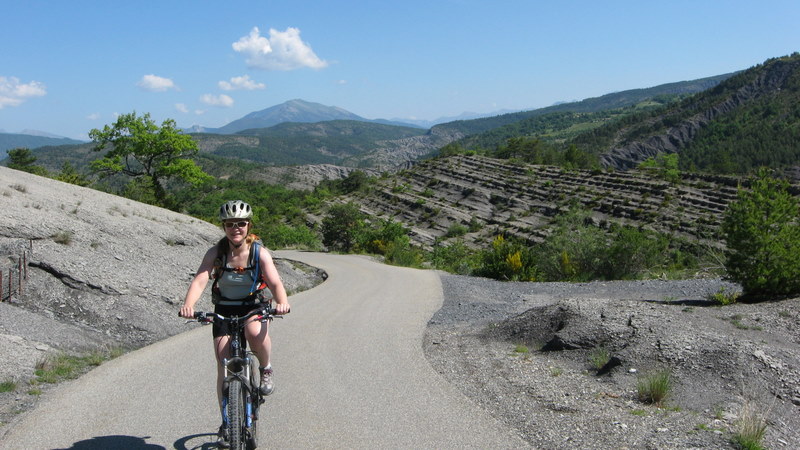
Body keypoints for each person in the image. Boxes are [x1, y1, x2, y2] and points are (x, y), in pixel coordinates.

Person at [179, 200, 290, 444]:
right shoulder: (216, 252)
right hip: (224, 309)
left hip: (252, 305)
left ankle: (266, 367)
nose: (236, 228)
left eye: (241, 223)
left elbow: (274, 281)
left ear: (249, 225)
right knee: (223, 361)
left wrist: (281, 301)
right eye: (230, 224)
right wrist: (189, 305)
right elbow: (200, 279)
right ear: (224, 227)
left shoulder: (259, 252)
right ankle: (227, 422)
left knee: (253, 331)